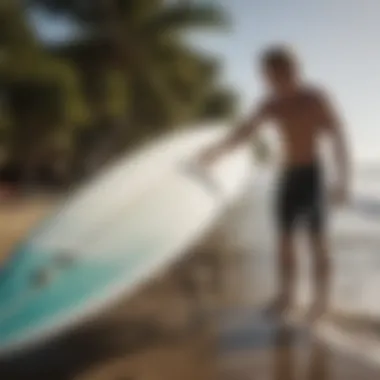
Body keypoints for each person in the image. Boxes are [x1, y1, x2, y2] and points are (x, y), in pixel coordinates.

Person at [198, 45, 350, 322]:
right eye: (267, 77)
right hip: (288, 176)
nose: (270, 82)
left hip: (312, 176)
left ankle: (321, 302)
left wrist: (343, 180)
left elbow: (338, 136)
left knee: (317, 241)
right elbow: (244, 132)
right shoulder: (271, 105)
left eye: (275, 76)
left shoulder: (314, 99)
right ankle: (287, 296)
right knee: (284, 241)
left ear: (292, 71)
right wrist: (215, 153)